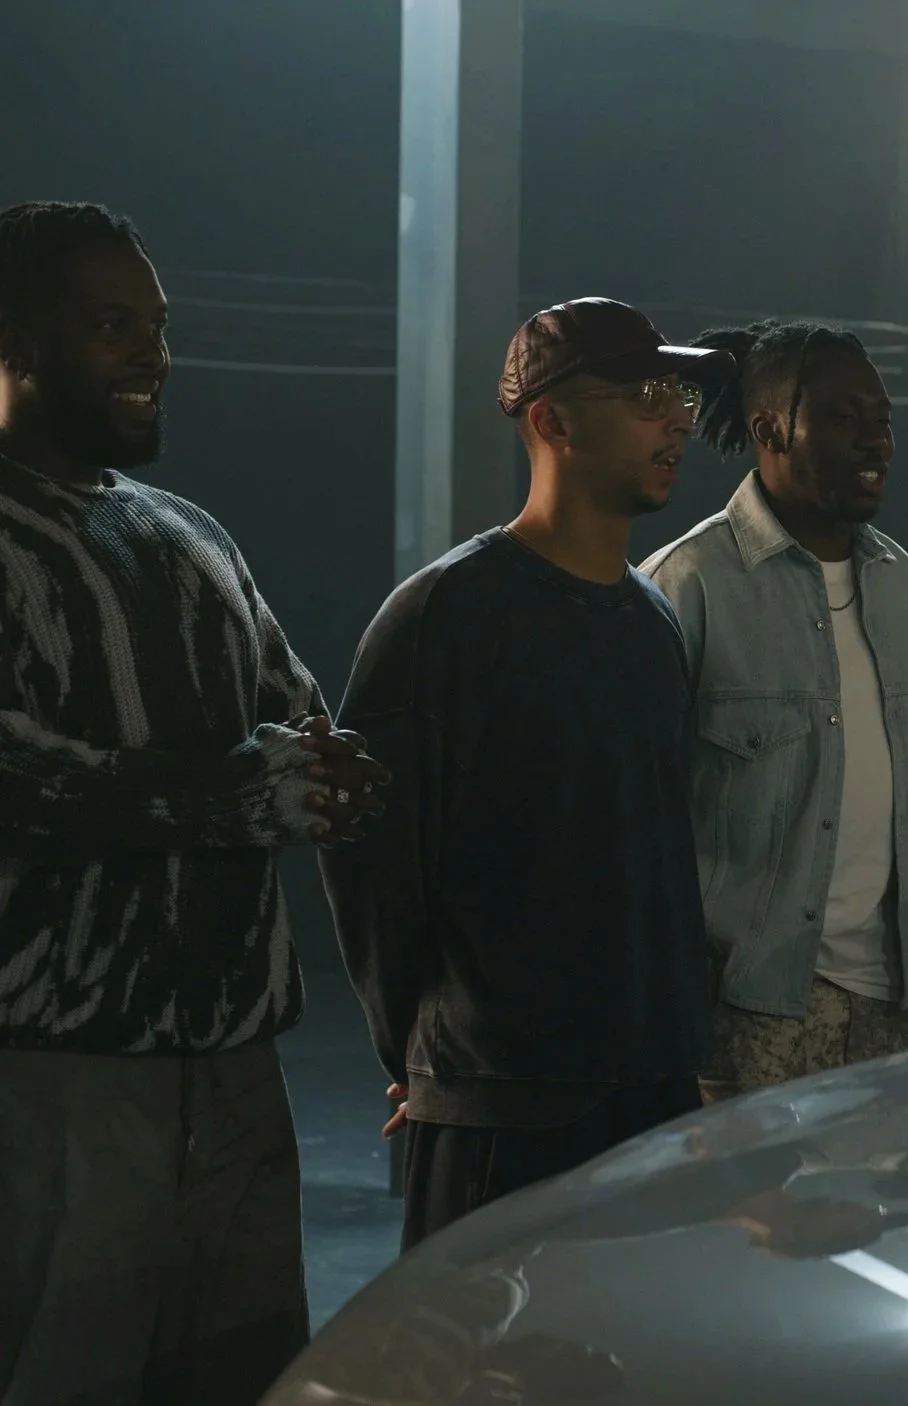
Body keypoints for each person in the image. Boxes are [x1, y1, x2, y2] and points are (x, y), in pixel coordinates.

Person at [0, 200, 386, 1406]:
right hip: (56, 1070)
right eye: (113, 323)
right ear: (14, 341)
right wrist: (241, 793)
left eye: (158, 325)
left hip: (237, 1064)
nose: (153, 354)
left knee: (248, 1376)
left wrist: (336, 774)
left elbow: (297, 721)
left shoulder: (189, 533)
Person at [320, 297, 728, 1248]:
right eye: (646, 396)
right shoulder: (446, 614)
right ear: (552, 421)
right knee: (486, 1341)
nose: (678, 420)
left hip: (651, 1095)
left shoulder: (653, 621)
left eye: (679, 395)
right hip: (506, 1101)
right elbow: (371, 861)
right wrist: (428, 1059)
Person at [641, 319, 908, 1103]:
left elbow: (907, 772)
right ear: (769, 430)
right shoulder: (685, 584)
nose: (875, 440)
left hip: (890, 1000)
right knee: (751, 1193)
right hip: (746, 1008)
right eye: (844, 417)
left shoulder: (899, 578)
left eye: (882, 418)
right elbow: (639, 815)